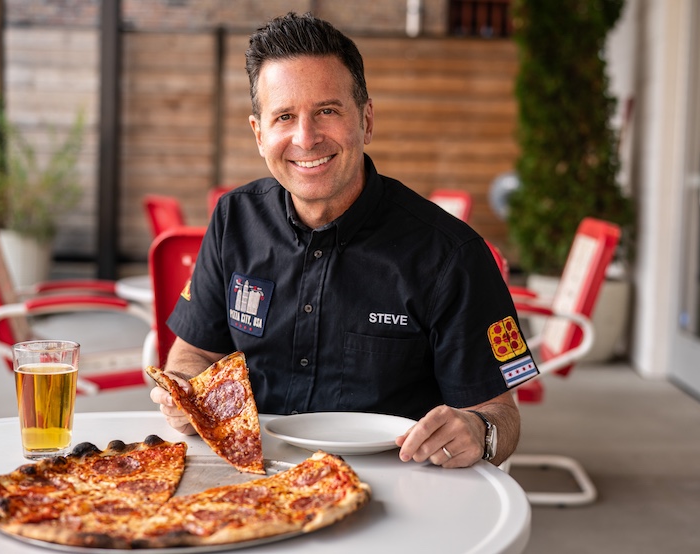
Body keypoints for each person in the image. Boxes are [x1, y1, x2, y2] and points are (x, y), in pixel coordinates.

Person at [149, 12, 538, 469]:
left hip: (398, 485)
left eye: (327, 111)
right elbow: (194, 351)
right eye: (284, 116)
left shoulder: (451, 255)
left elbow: (502, 416)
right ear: (259, 133)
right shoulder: (233, 219)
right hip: (252, 479)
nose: (306, 138)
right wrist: (187, 390)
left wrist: (480, 431)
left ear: (366, 120)